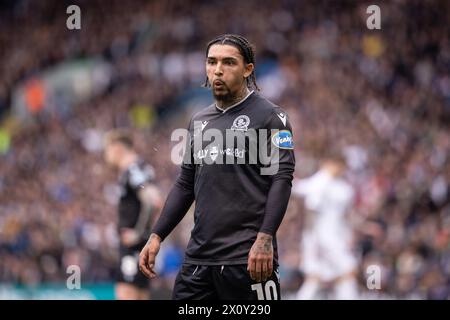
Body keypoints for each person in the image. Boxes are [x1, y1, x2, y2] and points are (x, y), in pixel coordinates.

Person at [139, 34, 296, 300]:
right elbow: (185, 184)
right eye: (211, 62)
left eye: (228, 62)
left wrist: (265, 238)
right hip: (199, 261)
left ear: (248, 69)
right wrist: (157, 235)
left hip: (249, 259)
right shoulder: (199, 120)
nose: (218, 69)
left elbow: (281, 179)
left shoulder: (272, 117)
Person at [104, 130, 163, 300]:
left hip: (134, 246)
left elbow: (154, 200)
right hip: (141, 244)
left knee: (126, 292)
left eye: (107, 150)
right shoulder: (138, 167)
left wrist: (139, 233)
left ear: (117, 148)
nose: (106, 156)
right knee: (140, 294)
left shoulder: (132, 169)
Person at [293, 154, 359, 299]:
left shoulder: (344, 188)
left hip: (334, 237)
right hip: (322, 238)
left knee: (318, 277)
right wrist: (312, 241)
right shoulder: (320, 182)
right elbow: (311, 211)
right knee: (347, 271)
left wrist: (348, 235)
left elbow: (345, 217)